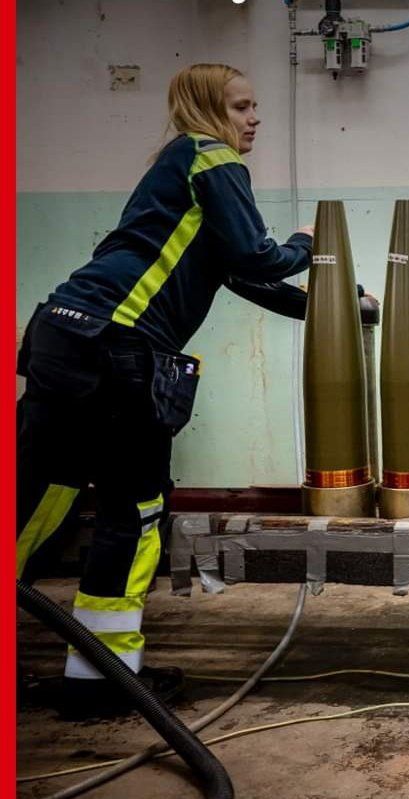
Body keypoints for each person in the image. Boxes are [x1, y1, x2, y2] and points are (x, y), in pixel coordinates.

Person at [16, 63, 347, 719]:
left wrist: (336, 307)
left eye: (257, 107)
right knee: (131, 510)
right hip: (119, 350)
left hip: (62, 334)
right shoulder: (210, 155)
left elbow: (240, 274)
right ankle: (101, 677)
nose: (255, 119)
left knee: (38, 499)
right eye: (243, 106)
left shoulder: (175, 172)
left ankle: (93, 670)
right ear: (207, 108)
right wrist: (306, 245)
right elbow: (258, 258)